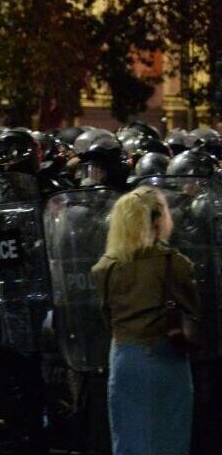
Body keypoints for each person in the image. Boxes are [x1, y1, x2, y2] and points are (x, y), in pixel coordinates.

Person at [92, 186, 199, 455]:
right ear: (156, 220)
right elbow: (193, 311)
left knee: (128, 438)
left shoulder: (105, 267)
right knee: (168, 437)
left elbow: (107, 316)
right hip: (164, 357)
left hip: (122, 358)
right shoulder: (173, 263)